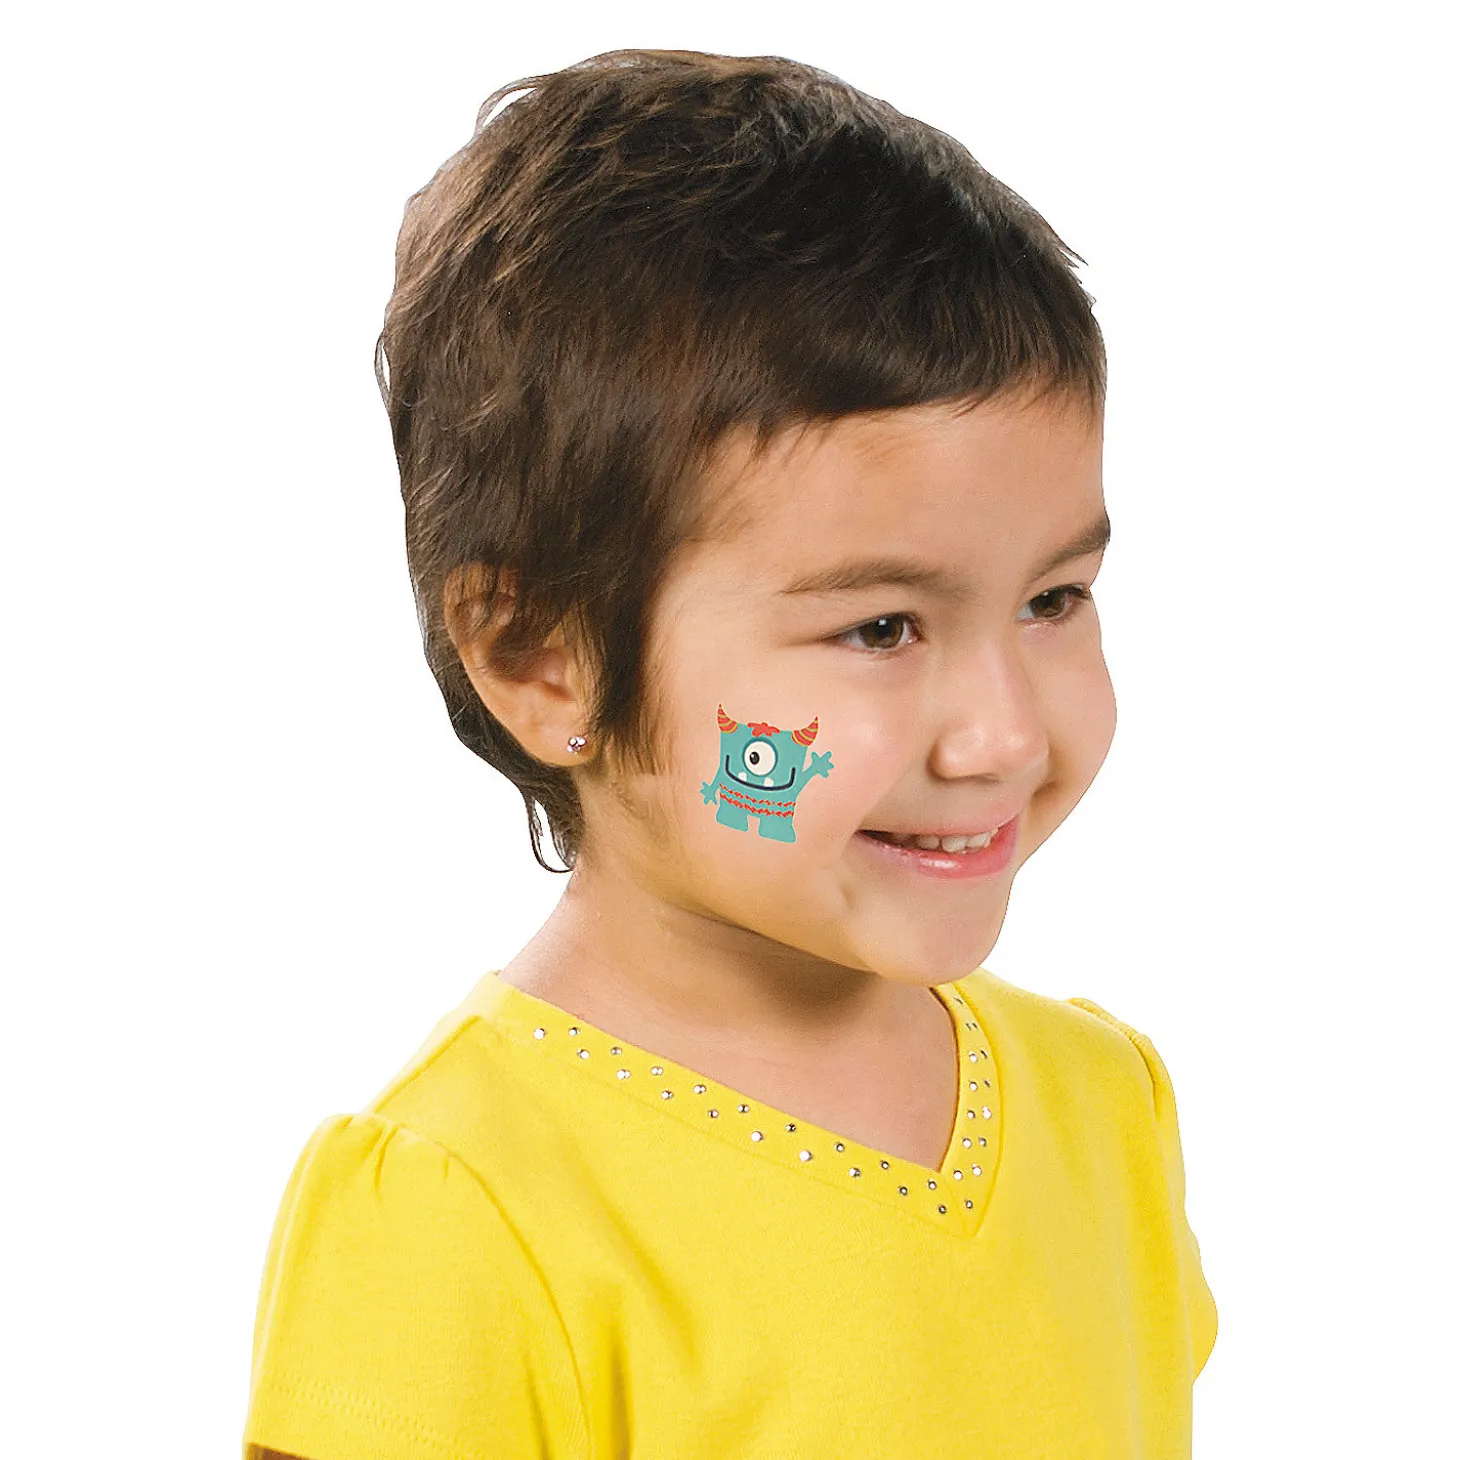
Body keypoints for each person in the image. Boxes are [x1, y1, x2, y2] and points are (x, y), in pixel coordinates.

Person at [241, 48, 1217, 1460]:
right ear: (541, 657)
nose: (1004, 734)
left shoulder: (1102, 1106)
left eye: (1053, 600)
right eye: (881, 627)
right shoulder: (464, 1205)